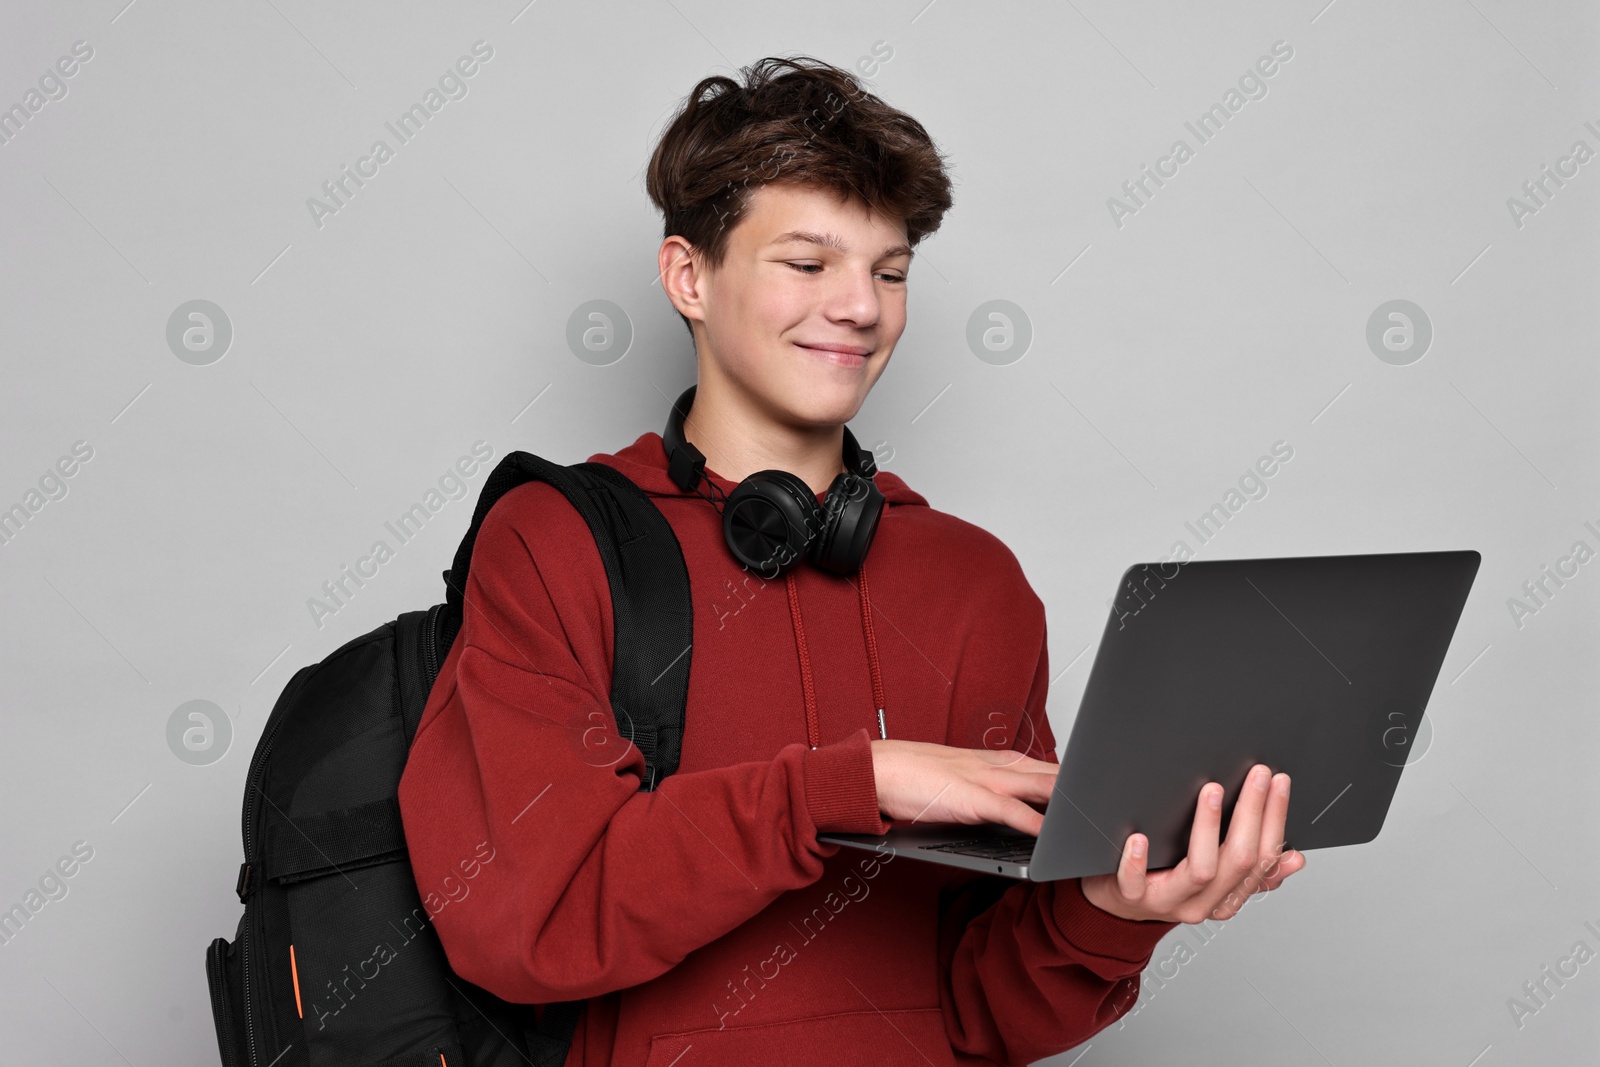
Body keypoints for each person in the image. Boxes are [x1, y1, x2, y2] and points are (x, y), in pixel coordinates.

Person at [397, 54, 1305, 1066]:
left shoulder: (977, 584)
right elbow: (532, 919)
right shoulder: (556, 541)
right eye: (807, 262)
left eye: (889, 270)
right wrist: (849, 783)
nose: (862, 308)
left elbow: (981, 1012)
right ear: (688, 276)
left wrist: (1113, 910)